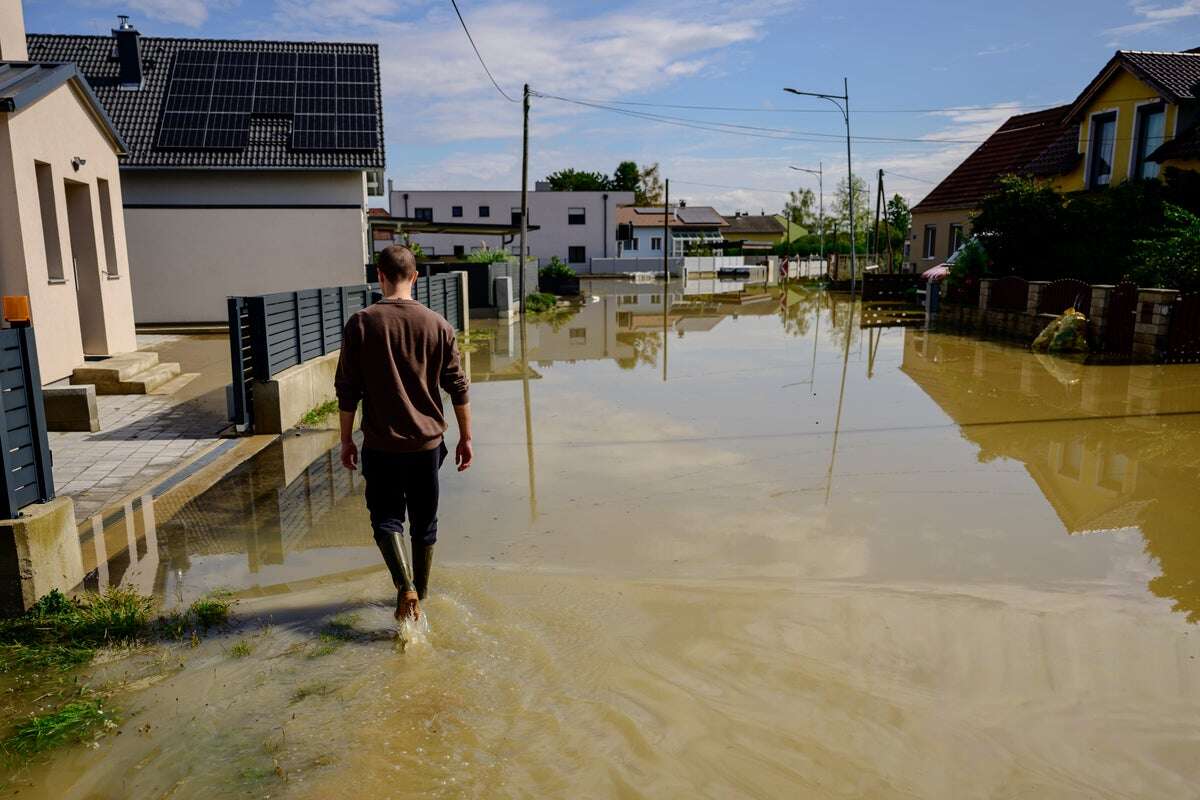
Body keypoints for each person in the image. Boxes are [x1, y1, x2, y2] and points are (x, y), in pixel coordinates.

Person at [334, 245, 472, 622]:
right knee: (425, 523)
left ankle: (404, 587)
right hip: (427, 445)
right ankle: (420, 600)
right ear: (415, 277)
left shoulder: (361, 323)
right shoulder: (438, 324)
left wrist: (346, 439)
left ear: (379, 276)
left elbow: (347, 389)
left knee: (386, 518)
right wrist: (466, 437)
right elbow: (457, 386)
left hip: (381, 444)